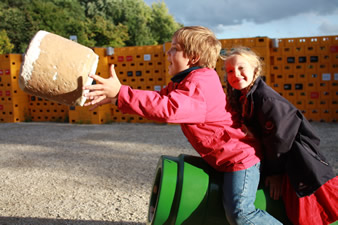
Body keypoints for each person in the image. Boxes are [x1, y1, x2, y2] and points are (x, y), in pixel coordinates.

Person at [83, 26, 282, 225]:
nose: (168, 53)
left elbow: (168, 108)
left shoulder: (199, 84)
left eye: (174, 48)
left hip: (239, 160)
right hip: (225, 159)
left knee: (241, 214)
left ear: (193, 57)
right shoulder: (186, 81)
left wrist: (121, 93)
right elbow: (159, 98)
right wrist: (116, 98)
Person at [222, 46, 338, 225]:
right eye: (230, 71)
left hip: (294, 164)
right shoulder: (243, 96)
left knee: (304, 217)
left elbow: (280, 141)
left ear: (255, 69)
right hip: (279, 160)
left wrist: (275, 174)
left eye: (241, 68)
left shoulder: (267, 99)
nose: (235, 74)